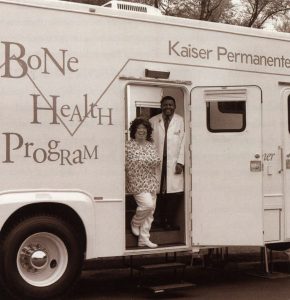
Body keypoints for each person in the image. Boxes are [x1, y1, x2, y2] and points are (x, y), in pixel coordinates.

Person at [150, 96, 184, 230]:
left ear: (174, 107)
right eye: (165, 105)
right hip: (157, 162)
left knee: (174, 192)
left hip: (173, 162)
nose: (168, 107)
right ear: (161, 106)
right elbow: (149, 143)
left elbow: (183, 142)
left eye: (171, 105)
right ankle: (158, 220)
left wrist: (180, 162)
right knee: (157, 192)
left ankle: (170, 221)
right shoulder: (153, 121)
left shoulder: (180, 120)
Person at [125, 117, 161, 248]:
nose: (141, 131)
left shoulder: (150, 145)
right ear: (134, 130)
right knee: (148, 206)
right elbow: (126, 164)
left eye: (144, 128)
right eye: (139, 128)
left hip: (150, 181)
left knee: (150, 213)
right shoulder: (128, 145)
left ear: (148, 131)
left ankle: (143, 239)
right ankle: (135, 222)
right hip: (137, 182)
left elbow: (157, 161)